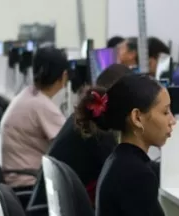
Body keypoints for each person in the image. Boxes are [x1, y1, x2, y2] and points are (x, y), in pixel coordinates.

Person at [75, 73, 175, 216]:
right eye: (165, 112)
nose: (172, 120)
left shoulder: (120, 161)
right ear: (137, 118)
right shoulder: (137, 175)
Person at [29, 63, 131, 207]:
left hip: (49, 212)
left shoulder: (83, 120)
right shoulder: (99, 131)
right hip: (53, 215)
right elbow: (123, 177)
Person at [0, 47, 68, 187]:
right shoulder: (41, 105)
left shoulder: (28, 95)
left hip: (16, 178)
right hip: (28, 183)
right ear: (64, 76)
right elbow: (71, 142)